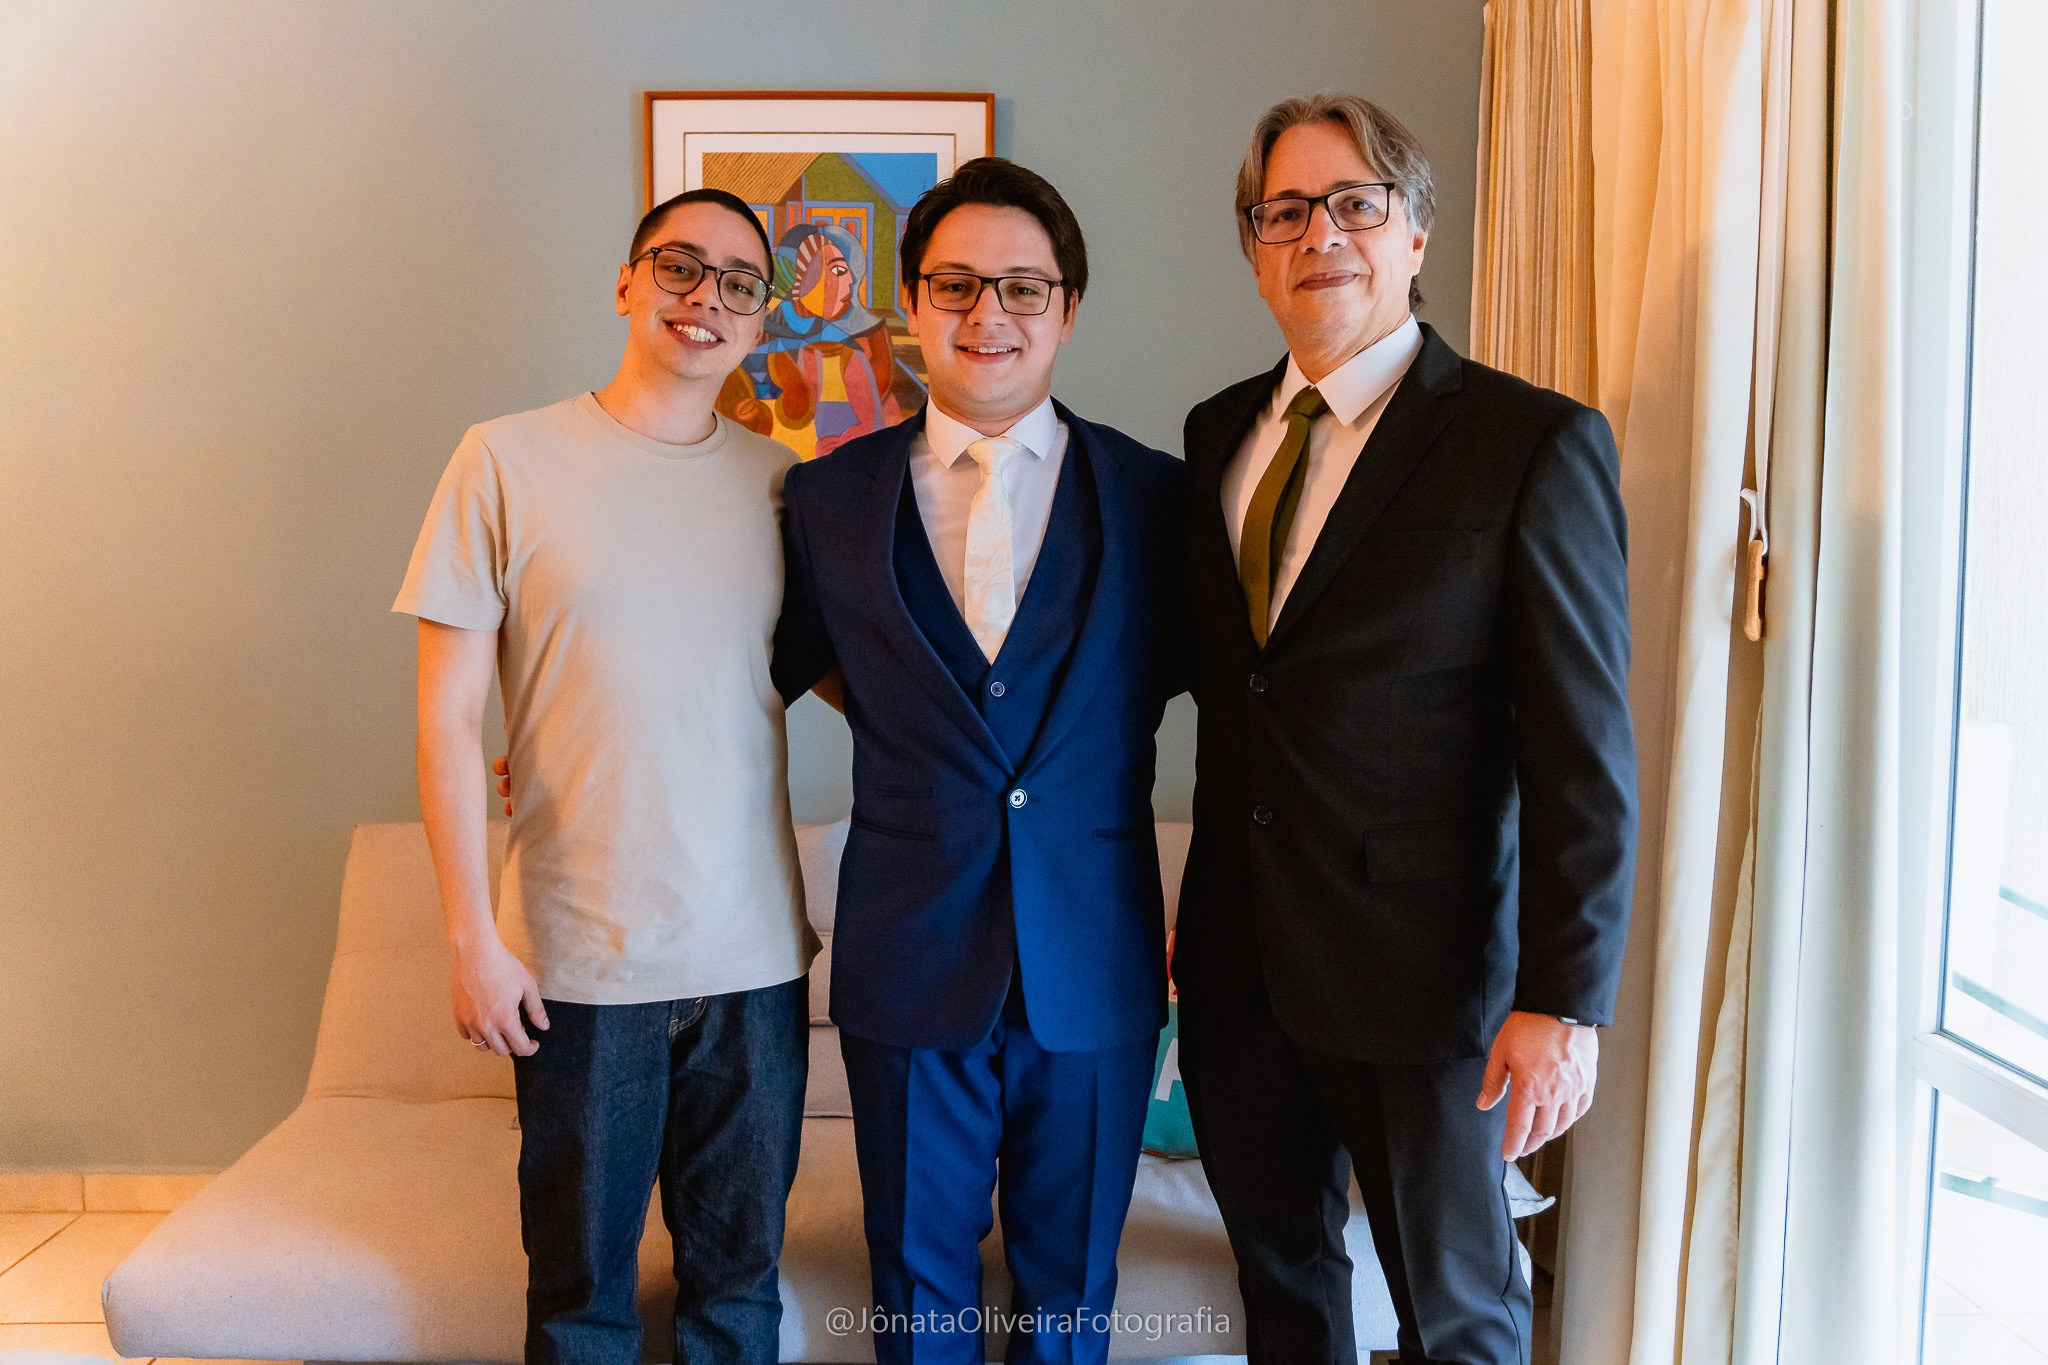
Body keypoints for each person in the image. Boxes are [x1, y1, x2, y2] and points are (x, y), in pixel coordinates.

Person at [1172, 95, 1638, 1365]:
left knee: (1455, 1317)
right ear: (1254, 249)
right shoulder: (1216, 433)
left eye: (1354, 203)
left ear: (1414, 233)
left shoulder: (1527, 442)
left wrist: (1562, 1002)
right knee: (1281, 1293)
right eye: (1284, 212)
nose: (1318, 234)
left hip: (1426, 984)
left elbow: (1581, 750)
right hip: (1236, 968)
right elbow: (1238, 690)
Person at [771, 157, 1187, 1365]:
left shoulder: (1157, 497)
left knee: (1070, 1298)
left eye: (1021, 286)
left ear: (1067, 309)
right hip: (908, 952)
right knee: (917, 1293)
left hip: (1094, 957)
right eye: (954, 284)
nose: (986, 313)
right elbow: (772, 670)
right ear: (910, 303)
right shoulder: (827, 499)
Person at [393, 188, 815, 1365]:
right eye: (680, 266)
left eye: (739, 283)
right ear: (627, 282)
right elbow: (445, 721)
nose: (706, 297)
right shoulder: (502, 459)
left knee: (738, 1296)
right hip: (577, 964)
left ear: (760, 320)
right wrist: (470, 938)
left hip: (753, 961)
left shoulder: (783, 484)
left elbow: (856, 675)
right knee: (580, 1303)